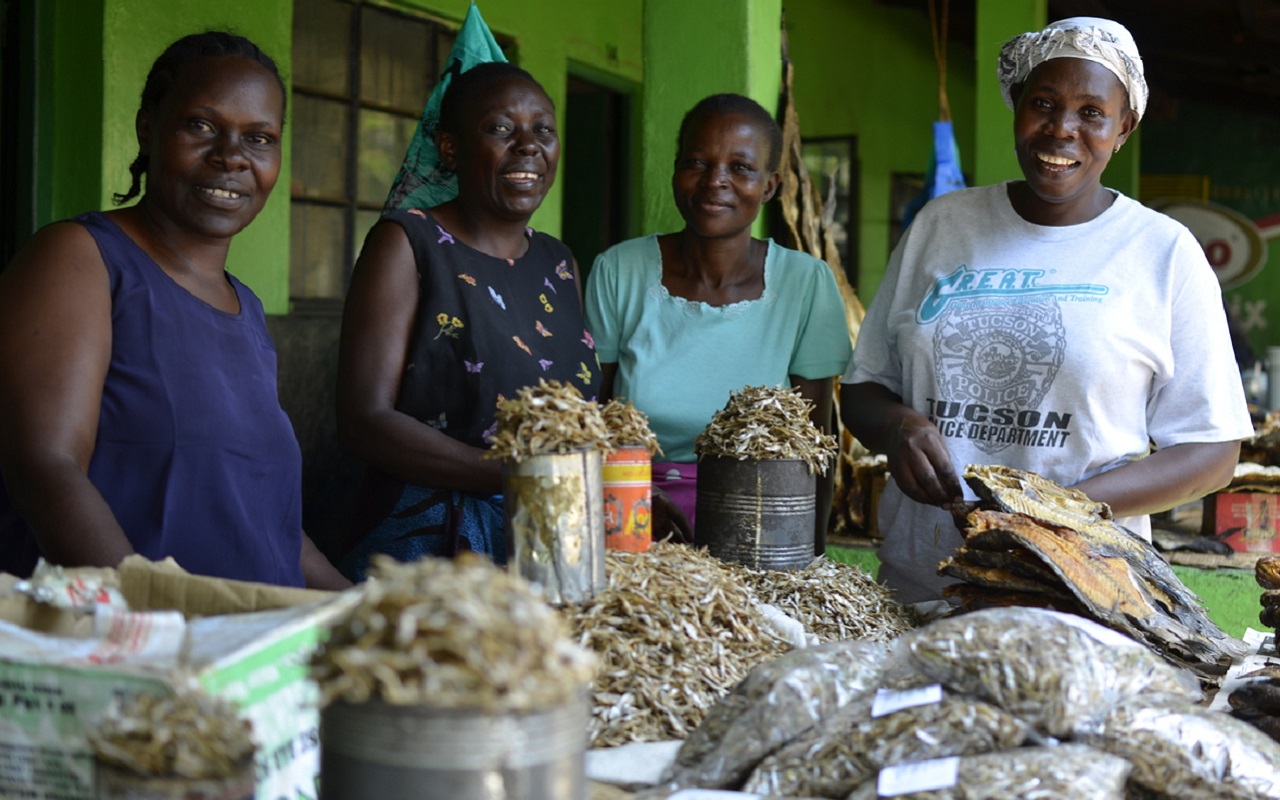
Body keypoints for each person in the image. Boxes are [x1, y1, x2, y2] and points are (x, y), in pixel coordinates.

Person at [840, 17, 1254, 605]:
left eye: (1091, 112)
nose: (1061, 129)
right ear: (1017, 107)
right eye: (1043, 102)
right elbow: (864, 388)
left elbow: (1212, 452)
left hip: (1078, 592)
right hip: (920, 580)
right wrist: (899, 426)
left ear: (1123, 127)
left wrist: (1061, 510)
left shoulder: (1163, 252)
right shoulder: (942, 226)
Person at [0, 32, 349, 589]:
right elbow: (46, 466)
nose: (232, 156)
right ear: (148, 127)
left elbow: (263, 521)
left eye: (259, 138)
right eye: (202, 126)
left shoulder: (248, 311)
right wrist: (159, 625)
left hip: (250, 654)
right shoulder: (80, 259)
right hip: (134, 653)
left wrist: (355, 606)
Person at [335, 62, 599, 581]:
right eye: (501, 128)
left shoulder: (559, 262)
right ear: (451, 148)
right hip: (431, 546)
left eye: (542, 129)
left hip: (555, 536)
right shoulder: (409, 242)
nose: (527, 145)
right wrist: (516, 476)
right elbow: (364, 420)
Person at [585, 93, 852, 548]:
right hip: (632, 516)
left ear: (770, 186)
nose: (715, 182)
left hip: (760, 524)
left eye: (740, 167)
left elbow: (814, 440)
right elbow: (591, 417)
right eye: (697, 162)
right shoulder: (619, 271)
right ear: (675, 171)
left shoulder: (805, 283)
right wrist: (636, 501)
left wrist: (809, 551)